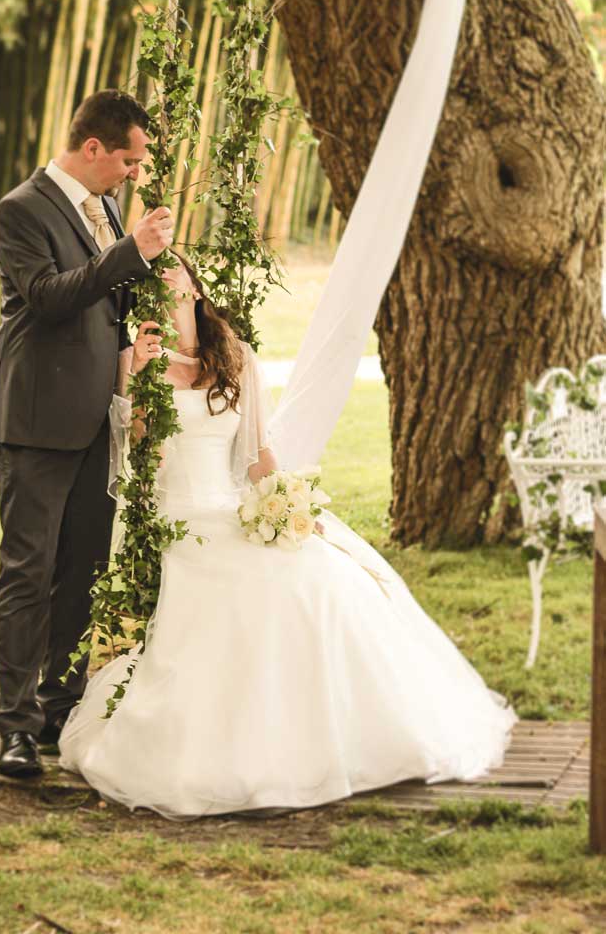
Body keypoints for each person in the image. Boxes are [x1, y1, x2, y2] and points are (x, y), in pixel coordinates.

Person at [59, 254, 516, 817]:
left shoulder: (234, 355)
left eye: (171, 271)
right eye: (150, 279)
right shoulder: (134, 358)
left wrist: (284, 501)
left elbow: (256, 454)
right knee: (232, 597)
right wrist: (144, 380)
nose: (162, 281)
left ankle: (345, 732)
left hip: (232, 510)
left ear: (197, 288)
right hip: (176, 518)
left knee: (319, 578)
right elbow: (140, 459)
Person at [0, 90, 173, 779]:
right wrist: (130, 252)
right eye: (129, 159)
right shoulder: (21, 209)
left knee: (84, 572)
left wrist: (133, 346)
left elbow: (100, 305)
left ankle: (62, 708)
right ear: (92, 149)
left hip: (98, 414)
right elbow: (49, 296)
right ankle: (16, 725)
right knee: (28, 571)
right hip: (37, 417)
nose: (134, 172)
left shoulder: (107, 206)